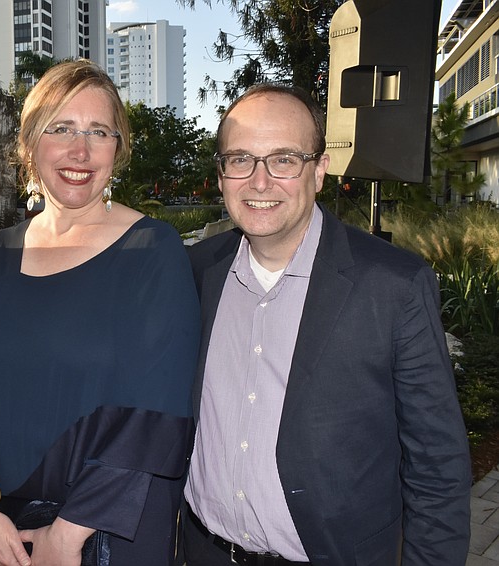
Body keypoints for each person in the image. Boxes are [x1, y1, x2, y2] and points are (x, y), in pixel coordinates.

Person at [181, 83, 471, 565]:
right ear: (221, 173)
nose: (259, 181)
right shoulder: (196, 271)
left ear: (319, 171)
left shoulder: (394, 285)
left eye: (284, 159)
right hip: (204, 551)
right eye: (240, 159)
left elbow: (437, 465)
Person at [0, 59, 200, 566]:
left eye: (98, 132)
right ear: (30, 143)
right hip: (4, 529)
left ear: (117, 150)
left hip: (111, 529)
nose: (79, 151)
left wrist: (66, 535)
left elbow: (157, 417)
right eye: (61, 128)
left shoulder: (153, 250)